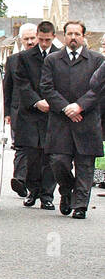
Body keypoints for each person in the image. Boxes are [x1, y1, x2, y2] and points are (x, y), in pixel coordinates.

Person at [39, 20, 102, 219]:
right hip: (60, 121)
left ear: (84, 36)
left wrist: (80, 105)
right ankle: (67, 192)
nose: (73, 38)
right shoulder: (52, 60)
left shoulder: (97, 60)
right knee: (58, 162)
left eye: (77, 34)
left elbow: (100, 88)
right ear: (63, 36)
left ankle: (81, 206)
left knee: (85, 165)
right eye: (69, 34)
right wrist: (66, 107)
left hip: (87, 119)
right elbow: (46, 87)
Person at [13, 21, 58, 209]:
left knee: (50, 155)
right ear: (37, 35)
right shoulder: (24, 57)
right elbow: (21, 82)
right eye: (41, 39)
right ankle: (33, 191)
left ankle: (47, 195)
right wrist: (36, 101)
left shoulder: (60, 56)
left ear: (54, 37)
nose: (44, 43)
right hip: (31, 112)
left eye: (48, 40)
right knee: (32, 154)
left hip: (53, 112)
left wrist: (53, 102)